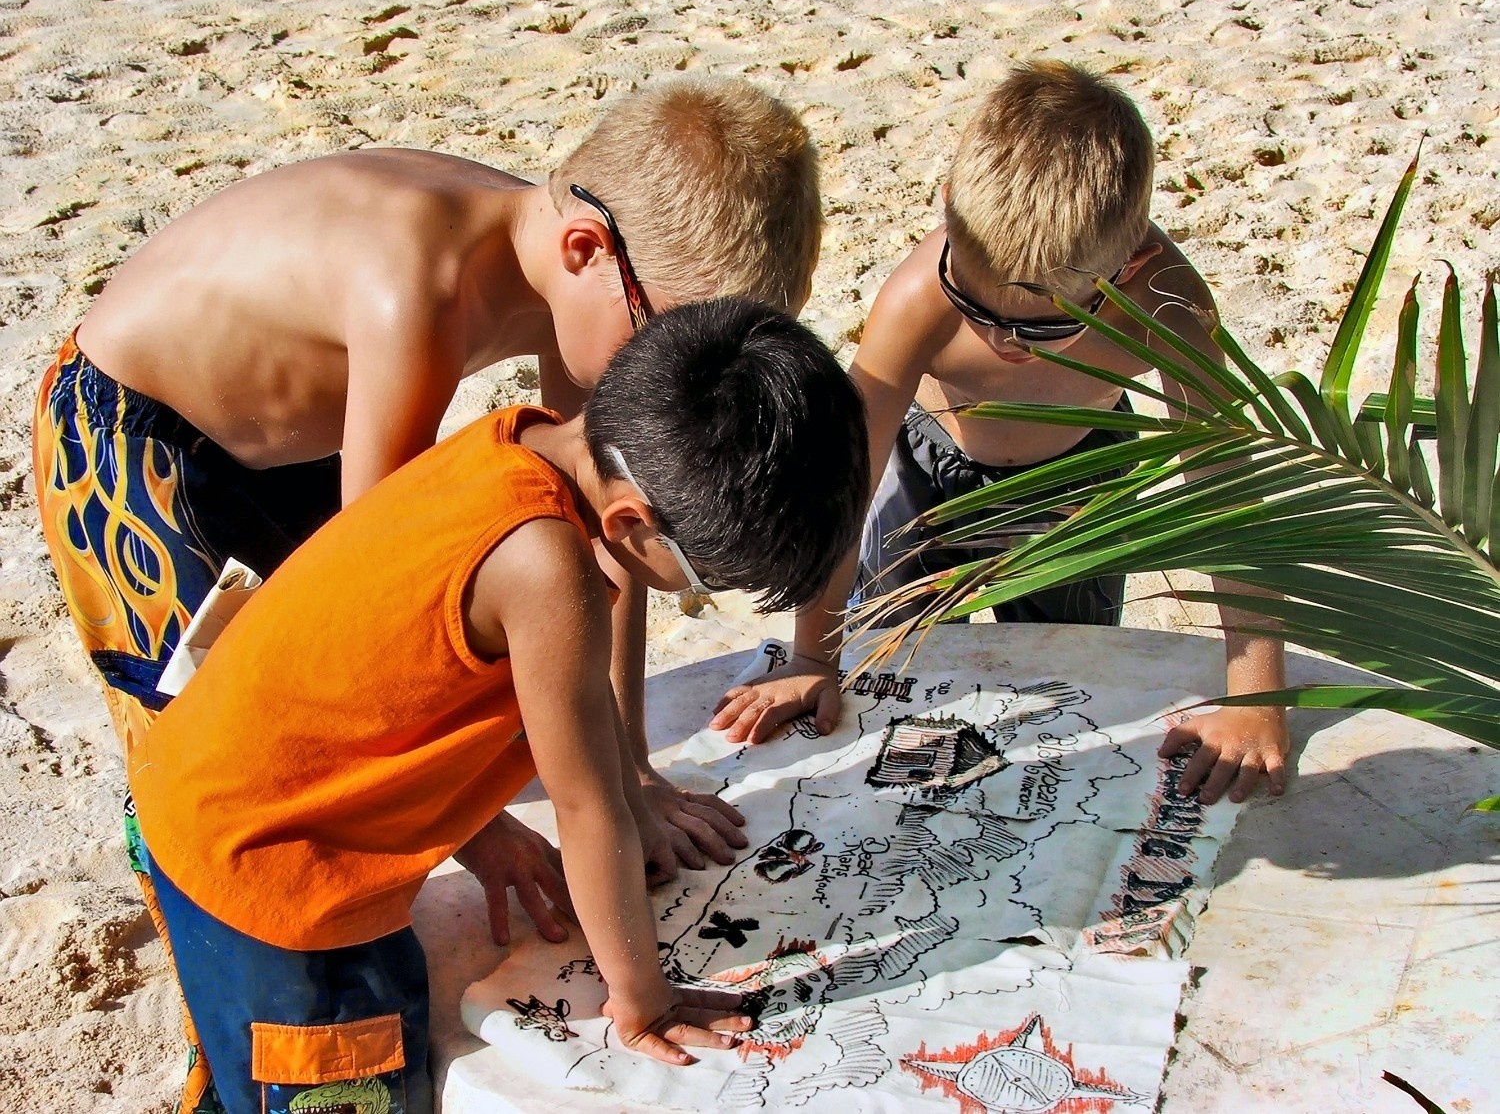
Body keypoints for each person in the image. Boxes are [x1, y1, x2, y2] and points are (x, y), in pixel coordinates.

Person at [126, 298, 871, 1114]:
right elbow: (587, 810)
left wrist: (480, 827)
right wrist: (644, 998)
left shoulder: (520, 438)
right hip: (267, 868)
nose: (690, 595)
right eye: (700, 582)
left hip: (193, 782)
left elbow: (386, 675)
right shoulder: (547, 569)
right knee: (345, 1085)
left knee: (240, 1051)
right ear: (629, 521)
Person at [712, 60, 1290, 807]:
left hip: (1076, 478)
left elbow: (1225, 490)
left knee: (1067, 678)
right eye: (974, 307)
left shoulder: (1167, 304)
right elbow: (844, 481)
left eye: (1042, 327)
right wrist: (812, 658)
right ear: (948, 210)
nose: (1002, 339)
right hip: (929, 468)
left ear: (1131, 264)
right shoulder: (921, 295)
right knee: (894, 674)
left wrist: (1256, 697)